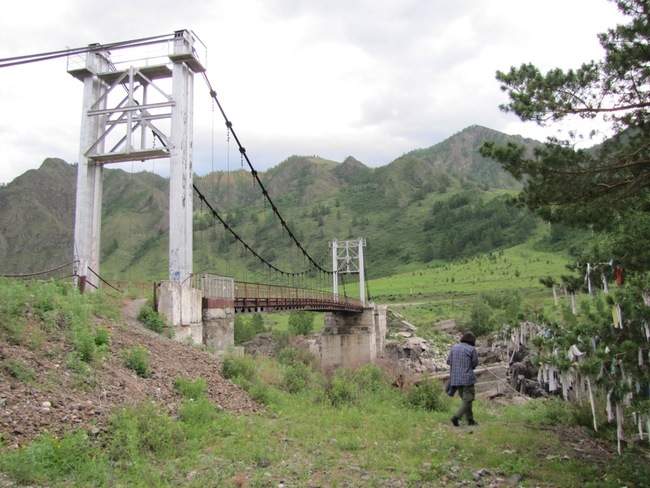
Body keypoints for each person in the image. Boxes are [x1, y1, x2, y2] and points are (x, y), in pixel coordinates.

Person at [446, 331, 479, 426]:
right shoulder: (471, 349)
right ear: (472, 340)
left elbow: (448, 362)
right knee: (468, 399)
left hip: (455, 379)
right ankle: (456, 417)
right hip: (467, 378)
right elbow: (474, 364)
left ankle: (470, 419)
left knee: (465, 399)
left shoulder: (454, 348)